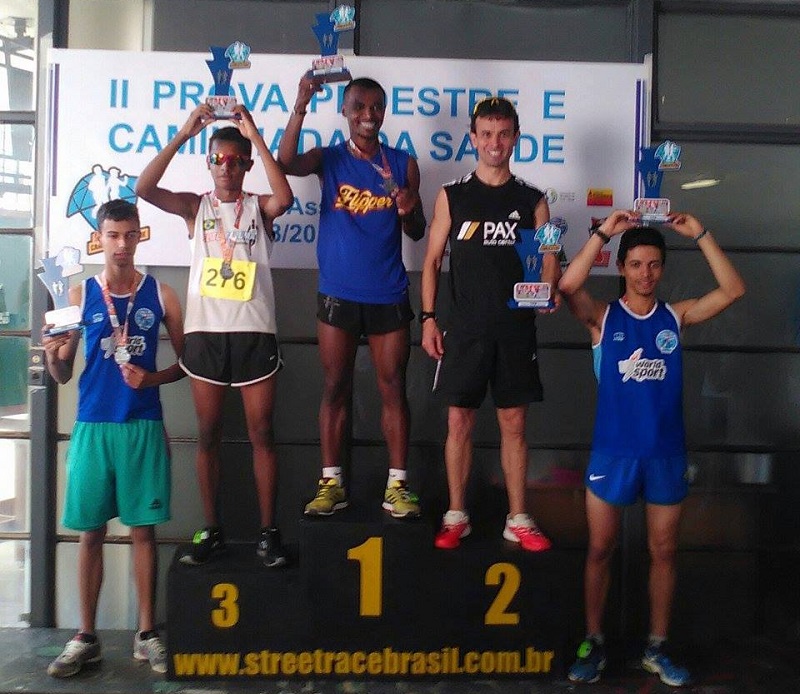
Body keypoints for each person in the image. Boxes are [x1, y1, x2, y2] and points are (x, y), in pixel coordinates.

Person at [558, 210, 745, 686]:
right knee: (600, 549)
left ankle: (656, 648)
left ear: (662, 269)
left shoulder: (675, 317)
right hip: (612, 455)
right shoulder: (603, 318)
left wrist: (700, 232)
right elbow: (566, 287)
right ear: (621, 267)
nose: (645, 273)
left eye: (654, 265)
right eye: (636, 264)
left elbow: (732, 290)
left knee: (663, 552)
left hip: (665, 455)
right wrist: (604, 232)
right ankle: (593, 641)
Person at [135, 104, 293, 567]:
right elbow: (144, 188)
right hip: (205, 334)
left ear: (245, 165)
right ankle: (213, 529)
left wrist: (255, 137)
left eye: (234, 160)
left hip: (254, 333)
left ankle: (268, 532)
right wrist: (186, 131)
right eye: (217, 159)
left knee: (262, 433)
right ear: (209, 163)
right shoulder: (194, 206)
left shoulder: (260, 207)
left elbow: (284, 197)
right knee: (208, 434)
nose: (225, 167)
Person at [42, 199, 184, 677]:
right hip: (92, 425)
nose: (121, 245)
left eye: (129, 235)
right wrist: (51, 355)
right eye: (112, 236)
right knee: (90, 533)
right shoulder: (77, 297)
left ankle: (146, 634)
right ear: (99, 239)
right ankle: (86, 636)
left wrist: (153, 378)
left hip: (142, 424)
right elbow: (61, 374)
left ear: (139, 235)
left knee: (144, 532)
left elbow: (187, 364)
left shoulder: (163, 294)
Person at [278, 75, 426, 518]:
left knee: (393, 388)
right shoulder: (329, 158)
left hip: (388, 293)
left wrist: (408, 207)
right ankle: (332, 483)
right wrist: (301, 103)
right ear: (345, 110)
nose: (368, 114)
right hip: (338, 293)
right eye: (359, 106)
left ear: (384, 112)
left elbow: (418, 230)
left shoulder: (404, 164)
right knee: (335, 386)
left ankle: (397, 486)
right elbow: (285, 161)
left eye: (376, 107)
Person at [420, 96, 560, 552]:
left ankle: (517, 517)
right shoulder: (453, 195)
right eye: (486, 134)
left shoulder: (532, 199)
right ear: (473, 138)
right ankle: (456, 513)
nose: (494, 143)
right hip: (464, 330)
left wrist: (546, 290)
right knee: (458, 421)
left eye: (503, 134)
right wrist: (428, 319)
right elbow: (433, 260)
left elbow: (548, 257)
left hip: (515, 332)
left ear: (516, 137)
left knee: (514, 424)